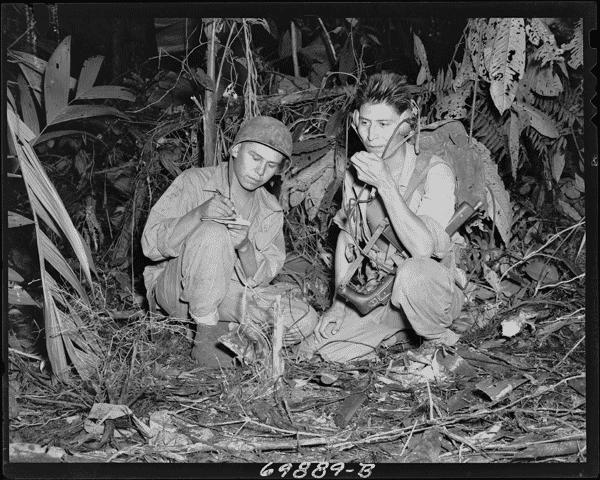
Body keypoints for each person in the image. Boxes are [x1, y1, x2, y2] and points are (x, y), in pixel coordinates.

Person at [298, 72, 465, 362]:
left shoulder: (433, 173)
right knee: (324, 351)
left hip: (430, 292)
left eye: (384, 124)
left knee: (413, 274)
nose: (371, 135)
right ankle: (399, 334)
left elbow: (423, 250)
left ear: (406, 125)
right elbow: (347, 238)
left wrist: (385, 184)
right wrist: (339, 304)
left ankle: (438, 344)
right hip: (380, 292)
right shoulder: (356, 174)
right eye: (364, 123)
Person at [142, 116, 318, 367]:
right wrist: (199, 213)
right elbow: (150, 246)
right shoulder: (195, 182)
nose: (260, 171)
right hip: (178, 290)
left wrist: (244, 246)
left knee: (304, 319)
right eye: (255, 158)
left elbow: (261, 279)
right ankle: (205, 341)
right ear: (236, 149)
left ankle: (232, 333)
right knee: (213, 231)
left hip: (228, 294)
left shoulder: (270, 209)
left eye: (270, 165)